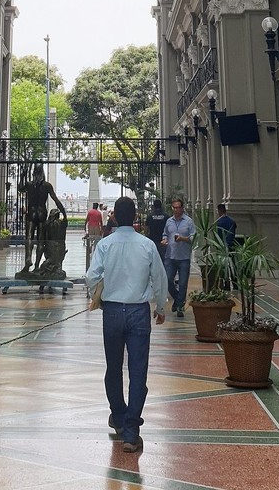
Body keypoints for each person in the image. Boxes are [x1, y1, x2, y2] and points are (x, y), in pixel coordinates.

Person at [85, 195, 168, 455]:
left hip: (111, 312)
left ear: (115, 217)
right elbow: (160, 277)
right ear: (134, 217)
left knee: (113, 368)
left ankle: (119, 417)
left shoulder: (105, 244)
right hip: (138, 313)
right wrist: (161, 308)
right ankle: (131, 430)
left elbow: (91, 276)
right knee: (138, 370)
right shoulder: (146, 245)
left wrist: (96, 294)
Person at [17, 163, 67, 276]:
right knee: (41, 239)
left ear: (34, 173)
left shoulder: (29, 185)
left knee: (29, 237)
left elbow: (20, 188)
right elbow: (55, 199)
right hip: (42, 213)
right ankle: (36, 265)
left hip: (31, 212)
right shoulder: (47, 186)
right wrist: (63, 212)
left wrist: (22, 176)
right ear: (43, 173)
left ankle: (28, 259)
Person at [161, 197, 195, 318]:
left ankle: (180, 307)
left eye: (178, 207)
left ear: (182, 208)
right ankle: (178, 299)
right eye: (174, 207)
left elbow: (193, 238)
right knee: (168, 280)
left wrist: (183, 239)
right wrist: (164, 239)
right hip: (170, 256)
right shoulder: (169, 221)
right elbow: (165, 233)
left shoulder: (188, 221)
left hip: (184, 256)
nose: (176, 210)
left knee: (183, 283)